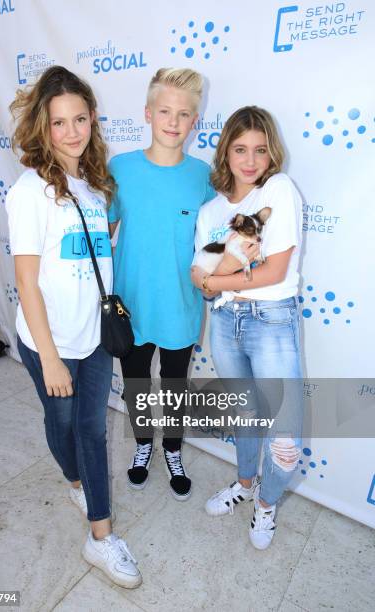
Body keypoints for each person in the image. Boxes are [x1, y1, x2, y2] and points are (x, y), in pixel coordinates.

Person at [6, 66, 141, 588]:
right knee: (61, 425)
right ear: (43, 126)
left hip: (95, 336)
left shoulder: (96, 186)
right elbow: (28, 281)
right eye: (59, 122)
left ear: (92, 120)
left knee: (90, 430)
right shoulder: (29, 190)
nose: (71, 132)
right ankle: (74, 479)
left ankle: (101, 538)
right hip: (50, 340)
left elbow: (94, 258)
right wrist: (50, 356)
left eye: (79, 119)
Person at [191, 106, 303, 550]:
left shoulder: (278, 189)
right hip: (223, 322)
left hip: (270, 320)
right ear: (226, 152)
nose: (250, 160)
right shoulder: (211, 209)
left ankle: (267, 505)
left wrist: (218, 279)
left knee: (285, 439)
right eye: (240, 149)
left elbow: (274, 271)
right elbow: (196, 281)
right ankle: (244, 484)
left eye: (259, 149)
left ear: (271, 152)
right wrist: (213, 281)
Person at [108, 68, 215, 500]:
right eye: (165, 111)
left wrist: (214, 281)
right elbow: (104, 232)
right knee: (135, 383)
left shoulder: (202, 176)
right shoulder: (121, 168)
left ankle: (172, 449)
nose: (173, 121)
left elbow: (211, 244)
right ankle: (142, 446)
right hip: (129, 306)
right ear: (148, 114)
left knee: (173, 385)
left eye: (184, 114)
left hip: (180, 306)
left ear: (194, 122)